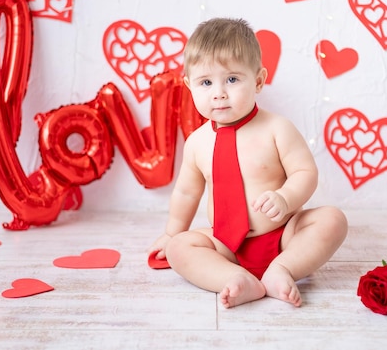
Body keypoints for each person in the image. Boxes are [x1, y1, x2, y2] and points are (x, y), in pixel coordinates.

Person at [148, 18, 347, 308]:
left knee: (332, 219)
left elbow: (305, 172)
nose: (219, 92)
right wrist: (171, 232)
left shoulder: (277, 129)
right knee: (181, 248)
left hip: (283, 235)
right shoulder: (196, 143)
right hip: (225, 244)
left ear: (258, 80)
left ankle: (283, 268)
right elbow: (187, 193)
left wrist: (285, 197)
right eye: (206, 82)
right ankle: (235, 278)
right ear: (189, 86)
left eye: (232, 79)